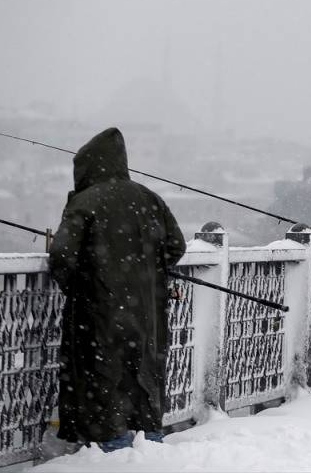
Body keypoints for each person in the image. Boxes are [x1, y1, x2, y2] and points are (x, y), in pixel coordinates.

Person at [48, 127, 186, 452]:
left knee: (102, 379)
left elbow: (62, 256)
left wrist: (81, 286)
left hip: (99, 315)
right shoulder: (149, 198)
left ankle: (113, 450)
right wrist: (146, 272)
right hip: (146, 313)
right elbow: (176, 246)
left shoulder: (85, 201)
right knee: (143, 380)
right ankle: (149, 443)